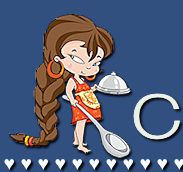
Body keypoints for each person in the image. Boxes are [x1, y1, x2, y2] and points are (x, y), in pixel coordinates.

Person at [11, 14, 113, 153]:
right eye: (76, 58)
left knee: (83, 124)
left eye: (96, 62)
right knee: (81, 124)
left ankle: (78, 142)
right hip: (79, 106)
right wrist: (72, 100)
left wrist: (93, 89)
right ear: (57, 58)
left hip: (87, 103)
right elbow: (70, 92)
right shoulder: (70, 81)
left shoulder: (79, 79)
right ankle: (79, 143)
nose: (89, 67)